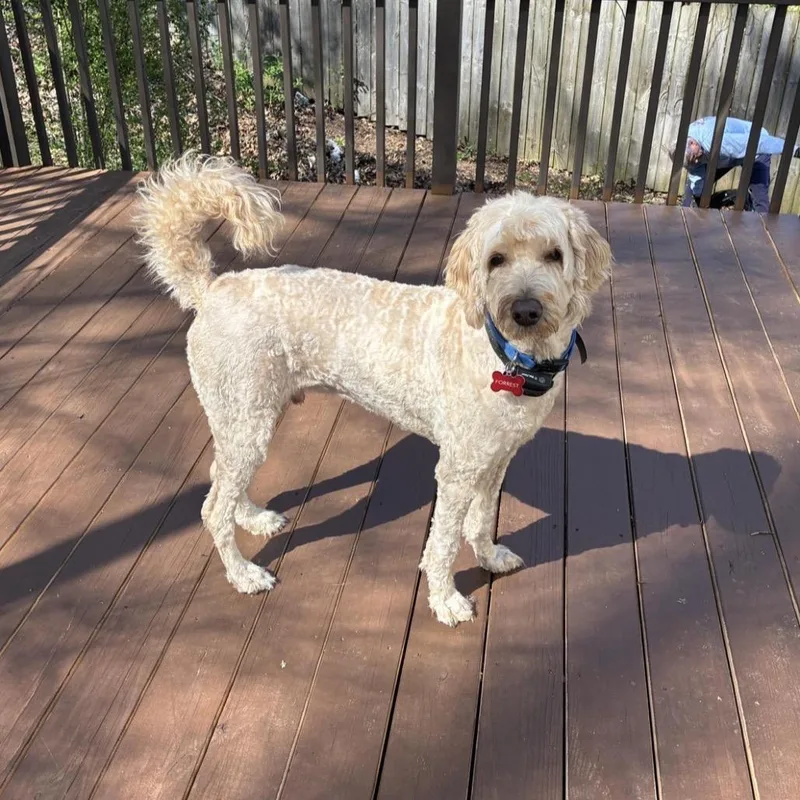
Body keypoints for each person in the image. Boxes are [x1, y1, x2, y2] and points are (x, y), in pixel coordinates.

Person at [679, 116, 800, 211]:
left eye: (694, 157)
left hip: (755, 149)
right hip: (720, 157)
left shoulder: (716, 141)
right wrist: (699, 197)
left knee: (760, 202)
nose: (695, 161)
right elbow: (696, 175)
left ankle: (758, 227)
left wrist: (794, 150)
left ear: (692, 143)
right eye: (692, 161)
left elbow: (760, 142)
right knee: (691, 199)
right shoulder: (691, 154)